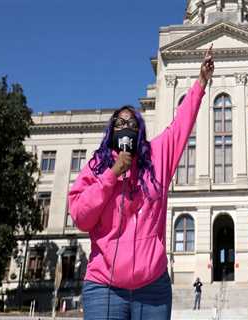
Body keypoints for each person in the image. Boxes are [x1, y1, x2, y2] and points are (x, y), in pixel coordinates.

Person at [68, 46, 214, 320]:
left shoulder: (157, 156)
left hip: (152, 290)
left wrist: (201, 83)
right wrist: (112, 175)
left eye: (133, 124)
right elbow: (81, 218)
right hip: (104, 288)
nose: (127, 128)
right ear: (111, 132)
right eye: (120, 123)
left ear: (141, 132)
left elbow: (181, 124)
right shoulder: (96, 167)